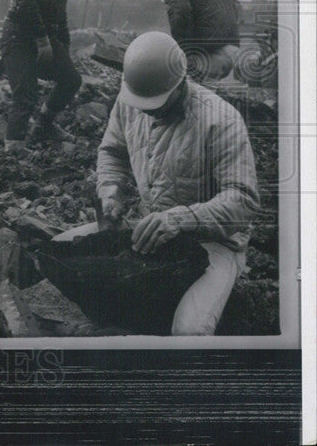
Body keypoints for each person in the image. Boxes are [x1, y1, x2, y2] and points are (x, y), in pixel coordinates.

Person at [54, 31, 260, 335]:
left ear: (179, 84)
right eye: (142, 102)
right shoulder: (131, 102)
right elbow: (112, 152)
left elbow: (243, 201)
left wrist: (182, 219)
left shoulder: (221, 120)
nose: (146, 110)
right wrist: (110, 192)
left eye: (155, 103)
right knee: (60, 254)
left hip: (213, 241)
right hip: (149, 228)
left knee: (189, 331)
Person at [0, 0, 92, 151]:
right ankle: (13, 152)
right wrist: (43, 42)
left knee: (70, 79)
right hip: (20, 34)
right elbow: (25, 1)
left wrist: (64, 45)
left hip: (44, 36)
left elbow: (60, 13)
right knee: (25, 95)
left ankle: (43, 126)